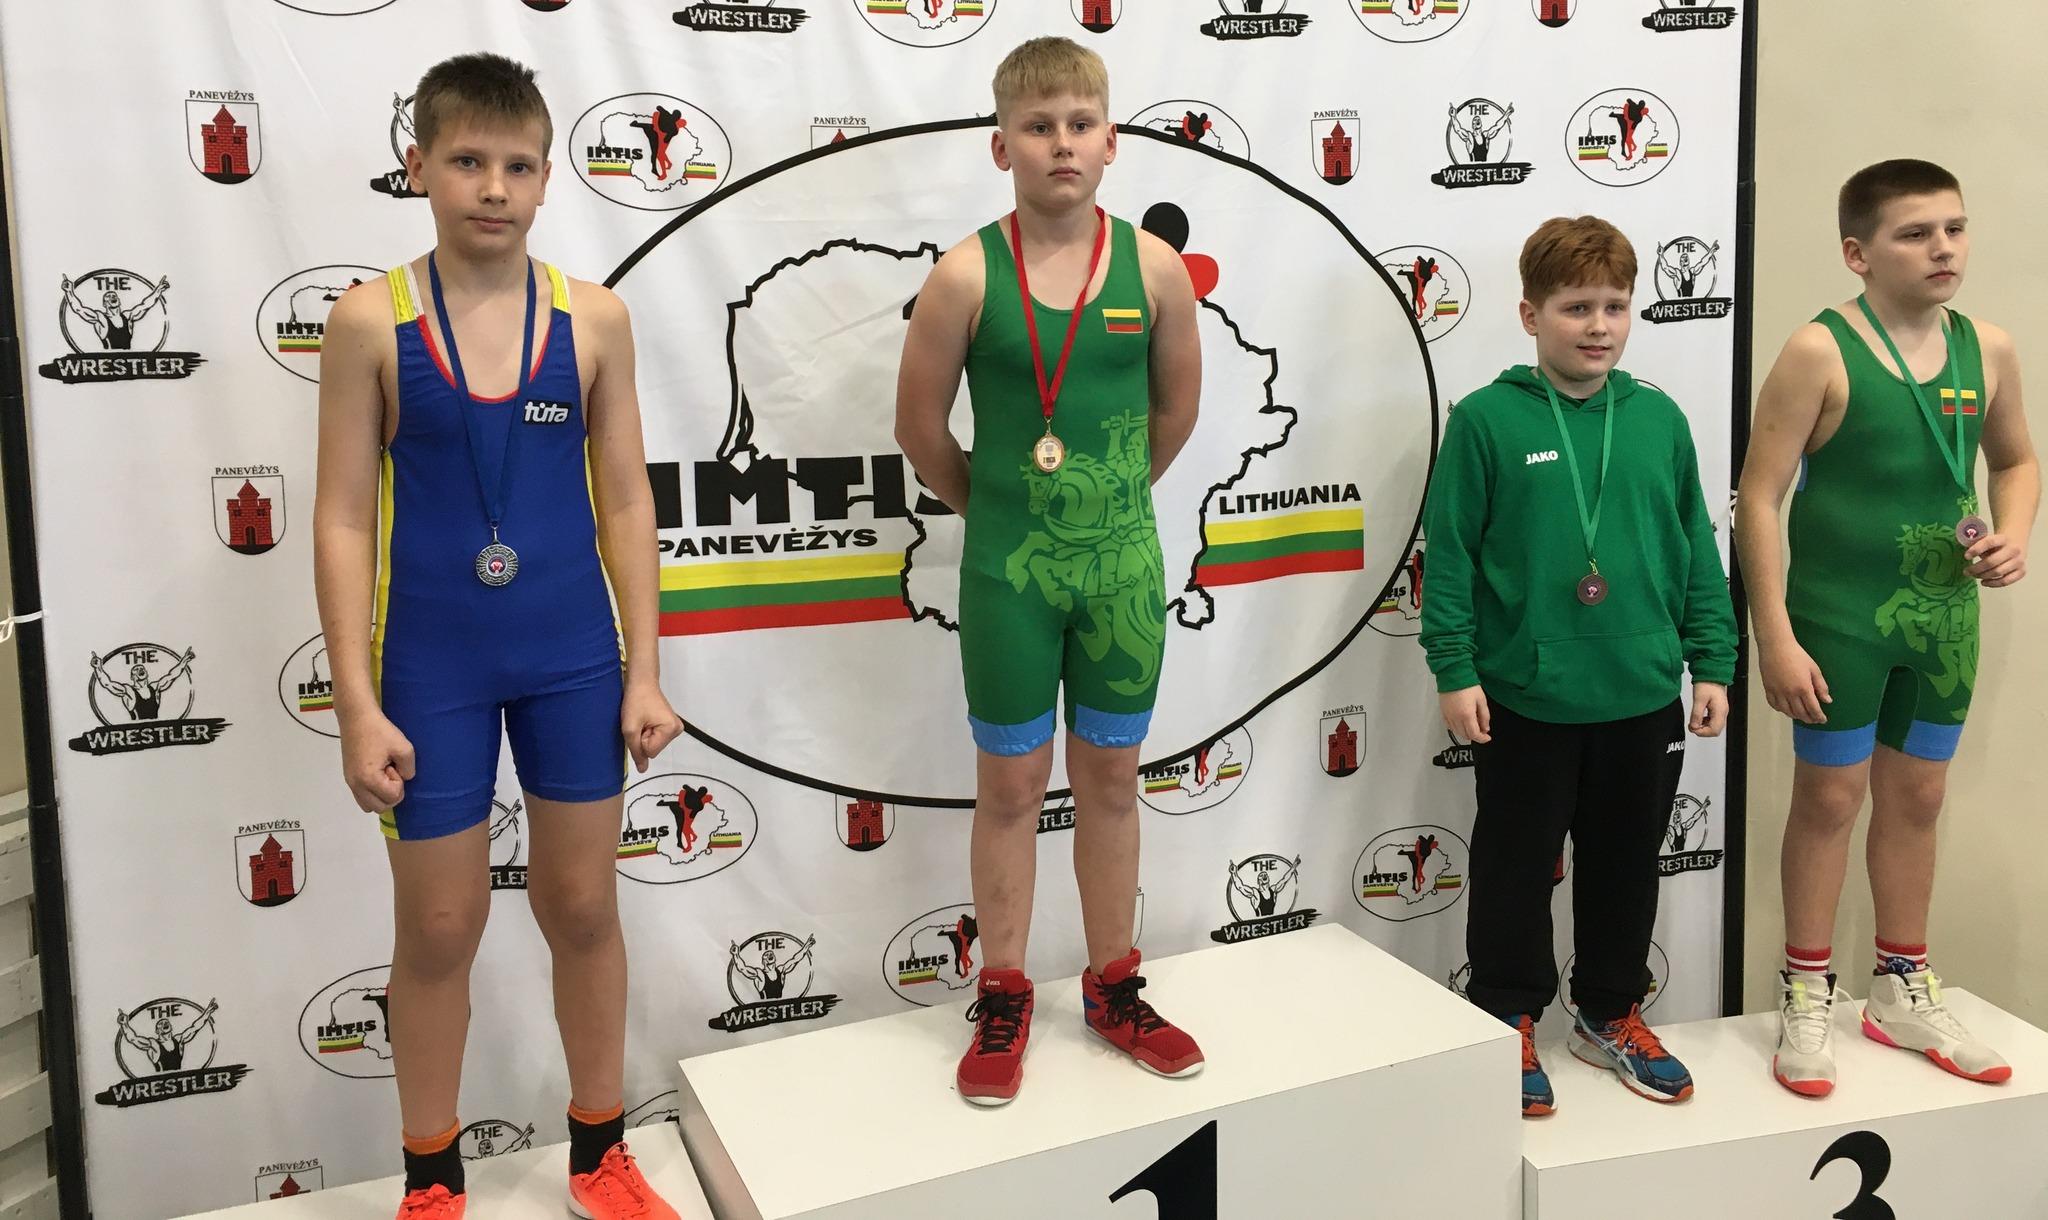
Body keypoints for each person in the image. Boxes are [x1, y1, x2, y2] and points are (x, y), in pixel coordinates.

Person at [314, 52, 685, 1219]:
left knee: (582, 906)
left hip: (571, 656)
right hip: (432, 667)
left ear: (545, 178)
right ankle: (431, 1178)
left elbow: (625, 501)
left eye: (517, 165)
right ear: (417, 165)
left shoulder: (594, 319)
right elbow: (339, 517)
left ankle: (599, 1152)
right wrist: (356, 702)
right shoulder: (369, 321)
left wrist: (644, 672)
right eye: (467, 160)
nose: (492, 187)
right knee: (436, 925)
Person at [894, 35, 1203, 1107]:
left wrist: (1107, 501)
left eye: (1079, 123)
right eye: (1037, 126)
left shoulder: (1153, 270)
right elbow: (919, 429)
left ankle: (1114, 986)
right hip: (1007, 580)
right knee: (1012, 788)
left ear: (1110, 142)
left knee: (1112, 781)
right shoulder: (962, 275)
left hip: (1120, 572)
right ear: (1002, 147)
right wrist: (1000, 513)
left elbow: (1175, 413)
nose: (1060, 143)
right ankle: (1004, 991)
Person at [1421, 215, 1736, 1117]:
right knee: (1515, 869)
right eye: (1575, 308)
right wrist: (1454, 667)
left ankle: (1608, 1013)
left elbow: (1693, 546)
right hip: (1527, 697)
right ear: (1530, 315)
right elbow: (1451, 556)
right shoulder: (1487, 420)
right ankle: (1508, 1016)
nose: (1598, 326)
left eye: (1614, 306)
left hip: (1642, 693)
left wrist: (1712, 660)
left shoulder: (1659, 419)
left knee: (1626, 866)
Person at [1736, 159, 2036, 1098]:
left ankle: (1902, 984)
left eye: (1954, 227)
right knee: (1830, 800)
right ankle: (1806, 988)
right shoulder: (1819, 351)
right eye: (1915, 233)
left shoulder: (1989, 348)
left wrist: (2015, 531)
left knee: (1920, 798)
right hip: (1839, 621)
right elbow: (1758, 496)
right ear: (1857, 254)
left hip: (1944, 622)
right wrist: (1774, 636)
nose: (1943, 248)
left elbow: (2016, 461)